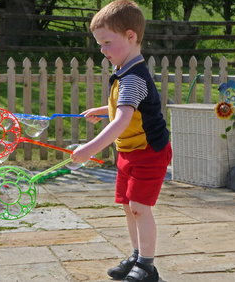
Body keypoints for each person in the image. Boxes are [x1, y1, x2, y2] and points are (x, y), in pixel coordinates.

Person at [70, 1, 172, 281]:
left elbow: (122, 120)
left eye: (106, 42)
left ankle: (147, 267)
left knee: (140, 208)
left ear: (130, 36)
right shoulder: (124, 72)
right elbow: (125, 109)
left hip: (149, 152)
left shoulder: (133, 78)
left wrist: (90, 148)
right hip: (128, 152)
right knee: (129, 206)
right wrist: (102, 110)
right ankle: (138, 256)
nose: (102, 50)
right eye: (99, 44)